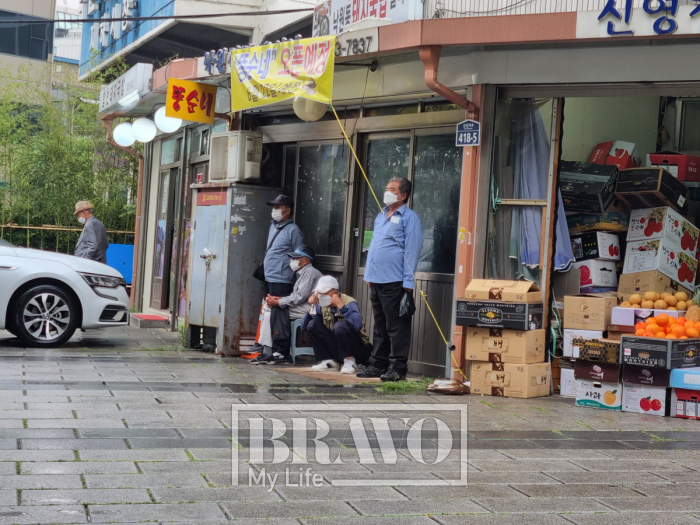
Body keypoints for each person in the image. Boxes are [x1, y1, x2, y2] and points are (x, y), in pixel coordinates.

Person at [358, 176, 423, 382]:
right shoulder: (381, 215)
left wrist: (408, 282)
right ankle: (378, 363)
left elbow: (412, 251)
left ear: (403, 195)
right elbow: (375, 247)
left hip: (395, 280)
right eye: (386, 187)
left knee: (397, 326)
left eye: (392, 189)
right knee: (380, 324)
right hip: (376, 279)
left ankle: (398, 367)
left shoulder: (410, 218)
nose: (387, 191)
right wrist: (369, 273)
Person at [251, 245, 322, 365]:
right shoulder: (302, 273)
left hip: (311, 308)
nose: (292, 261)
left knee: (271, 311)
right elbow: (296, 296)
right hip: (302, 305)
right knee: (269, 309)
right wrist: (278, 299)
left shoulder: (310, 273)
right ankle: (272, 351)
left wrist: (278, 302)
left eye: (296, 258)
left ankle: (269, 351)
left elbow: (299, 298)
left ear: (305, 260)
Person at [302, 276, 371, 374]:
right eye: (319, 293)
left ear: (334, 292)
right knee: (313, 324)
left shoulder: (349, 302)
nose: (320, 296)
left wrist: (342, 307)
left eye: (324, 293)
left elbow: (357, 326)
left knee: (339, 326)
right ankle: (329, 361)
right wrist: (311, 308)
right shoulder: (321, 305)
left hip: (358, 349)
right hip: (337, 347)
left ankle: (350, 361)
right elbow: (304, 327)